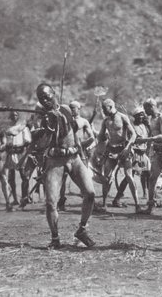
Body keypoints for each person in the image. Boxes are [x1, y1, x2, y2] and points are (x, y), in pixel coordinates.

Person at [35, 83, 96, 248]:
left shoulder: (66, 110)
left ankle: (82, 229)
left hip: (74, 158)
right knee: (50, 202)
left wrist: (83, 157)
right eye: (42, 99)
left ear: (54, 93)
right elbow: (40, 144)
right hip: (55, 161)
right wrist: (47, 128)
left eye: (48, 96)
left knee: (90, 193)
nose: (46, 100)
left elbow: (74, 134)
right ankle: (55, 239)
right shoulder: (41, 117)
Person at [97, 98, 141, 213]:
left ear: (110, 107)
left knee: (129, 176)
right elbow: (100, 136)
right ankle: (104, 204)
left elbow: (133, 135)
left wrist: (127, 148)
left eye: (104, 108)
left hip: (124, 149)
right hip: (111, 150)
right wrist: (101, 137)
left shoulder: (122, 117)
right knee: (106, 177)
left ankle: (137, 205)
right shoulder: (105, 121)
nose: (103, 110)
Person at [57, 100, 95, 211]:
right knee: (62, 178)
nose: (72, 109)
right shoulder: (64, 121)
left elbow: (92, 137)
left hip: (80, 153)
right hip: (66, 153)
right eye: (70, 107)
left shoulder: (83, 121)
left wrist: (82, 145)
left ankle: (87, 201)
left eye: (74, 108)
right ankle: (61, 201)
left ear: (79, 109)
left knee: (84, 177)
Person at [113, 106, 150, 206]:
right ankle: (117, 198)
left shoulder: (145, 126)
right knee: (129, 177)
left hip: (144, 154)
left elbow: (147, 140)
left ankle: (151, 198)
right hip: (135, 153)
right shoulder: (132, 127)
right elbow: (131, 140)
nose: (141, 117)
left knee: (149, 175)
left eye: (142, 115)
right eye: (139, 116)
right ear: (135, 117)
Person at [4, 111, 32, 206]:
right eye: (12, 115)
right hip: (11, 153)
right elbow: (4, 142)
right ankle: (15, 199)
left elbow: (28, 141)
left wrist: (23, 148)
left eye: (15, 115)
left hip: (21, 153)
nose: (14, 117)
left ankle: (25, 197)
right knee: (11, 178)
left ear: (18, 117)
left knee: (24, 176)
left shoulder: (23, 128)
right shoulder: (7, 129)